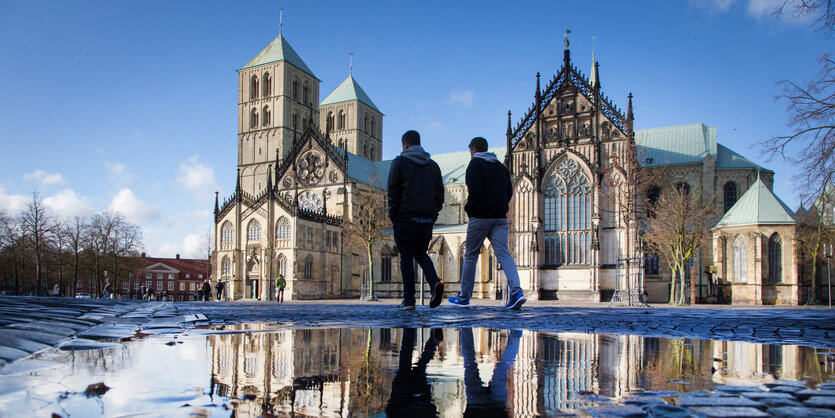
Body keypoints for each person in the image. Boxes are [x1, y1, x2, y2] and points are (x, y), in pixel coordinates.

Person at [448, 137, 527, 310]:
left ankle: (464, 296)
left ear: (474, 149)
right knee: (504, 254)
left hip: (480, 217)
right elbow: (509, 191)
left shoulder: (474, 165)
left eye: (470, 151)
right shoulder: (500, 167)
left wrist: (470, 209)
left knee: (470, 255)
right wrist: (500, 207)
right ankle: (517, 292)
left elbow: (473, 190)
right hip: (500, 217)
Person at [387, 130, 445, 310]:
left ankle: (409, 300)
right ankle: (435, 283)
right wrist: (433, 215)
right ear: (419, 143)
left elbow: (393, 191)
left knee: (406, 258)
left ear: (405, 144)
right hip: (426, 221)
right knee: (421, 254)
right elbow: (440, 196)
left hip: (405, 218)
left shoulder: (400, 162)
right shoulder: (433, 166)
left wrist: (393, 215)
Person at [459, 328, 521, 417]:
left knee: (502, 367)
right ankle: (465, 327)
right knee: (469, 363)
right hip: (475, 408)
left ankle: (516, 332)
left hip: (496, 408)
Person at [384, 328, 442, 416]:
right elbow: (390, 411)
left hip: (410, 402)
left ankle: (433, 341)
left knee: (420, 367)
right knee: (406, 362)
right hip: (401, 401)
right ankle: (410, 328)